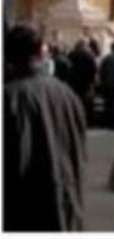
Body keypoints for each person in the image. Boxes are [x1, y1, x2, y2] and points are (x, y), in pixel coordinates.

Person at [4, 25, 87, 231]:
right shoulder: (67, 95)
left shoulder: (10, 97)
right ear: (42, 51)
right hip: (66, 205)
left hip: (25, 213)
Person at [67, 37, 98, 124]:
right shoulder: (90, 55)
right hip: (86, 82)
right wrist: (92, 83)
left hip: (74, 82)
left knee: (75, 101)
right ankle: (88, 121)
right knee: (87, 103)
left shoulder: (71, 54)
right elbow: (93, 70)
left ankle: (75, 119)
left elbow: (68, 67)